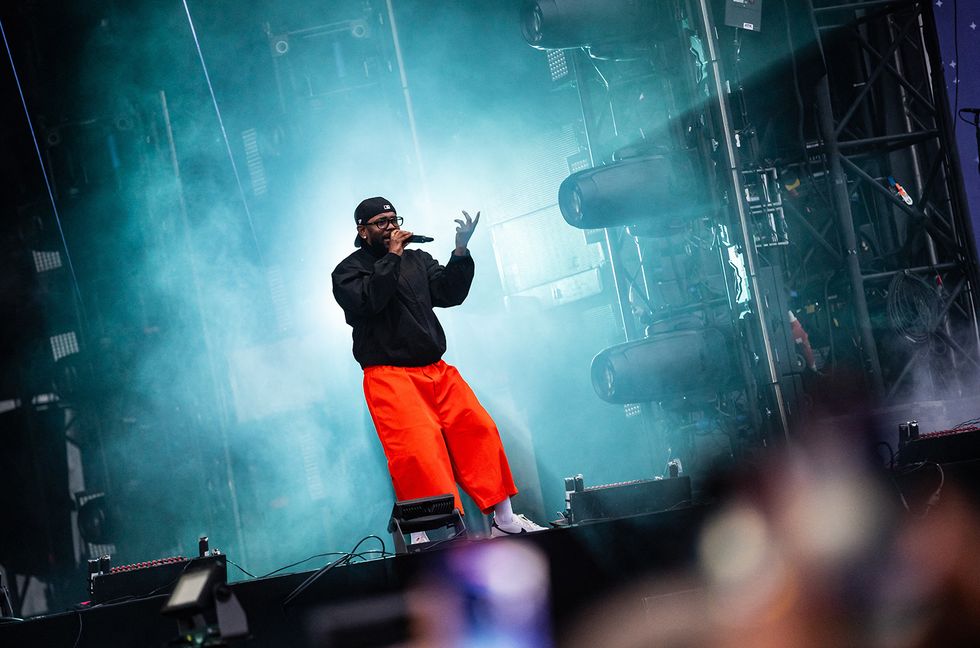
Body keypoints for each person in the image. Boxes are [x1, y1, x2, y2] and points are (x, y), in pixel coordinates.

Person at [331, 196, 546, 538]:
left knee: (480, 431)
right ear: (362, 230)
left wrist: (460, 251)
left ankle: (503, 521)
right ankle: (429, 537)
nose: (392, 227)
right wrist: (392, 256)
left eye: (394, 219)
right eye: (382, 223)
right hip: (390, 376)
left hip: (436, 369)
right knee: (418, 453)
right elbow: (371, 300)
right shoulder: (348, 271)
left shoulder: (416, 259)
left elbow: (449, 293)